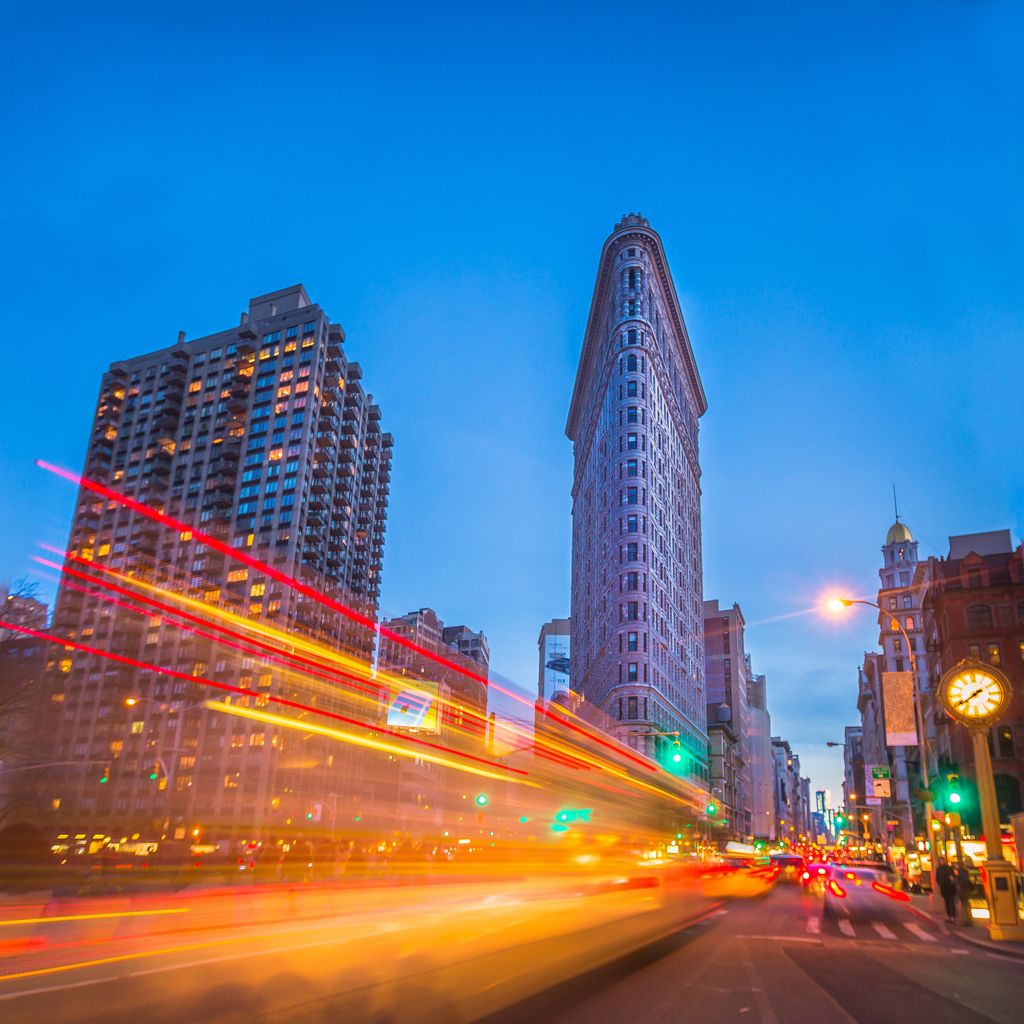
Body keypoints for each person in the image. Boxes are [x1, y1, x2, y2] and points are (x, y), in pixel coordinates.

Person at [935, 857, 957, 922]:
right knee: (947, 902)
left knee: (951, 902)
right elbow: (937, 878)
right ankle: (950, 916)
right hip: (945, 887)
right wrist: (940, 884)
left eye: (942, 860)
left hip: (949, 886)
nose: (941, 862)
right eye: (940, 861)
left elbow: (953, 877)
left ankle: (952, 916)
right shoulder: (939, 869)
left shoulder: (948, 868)